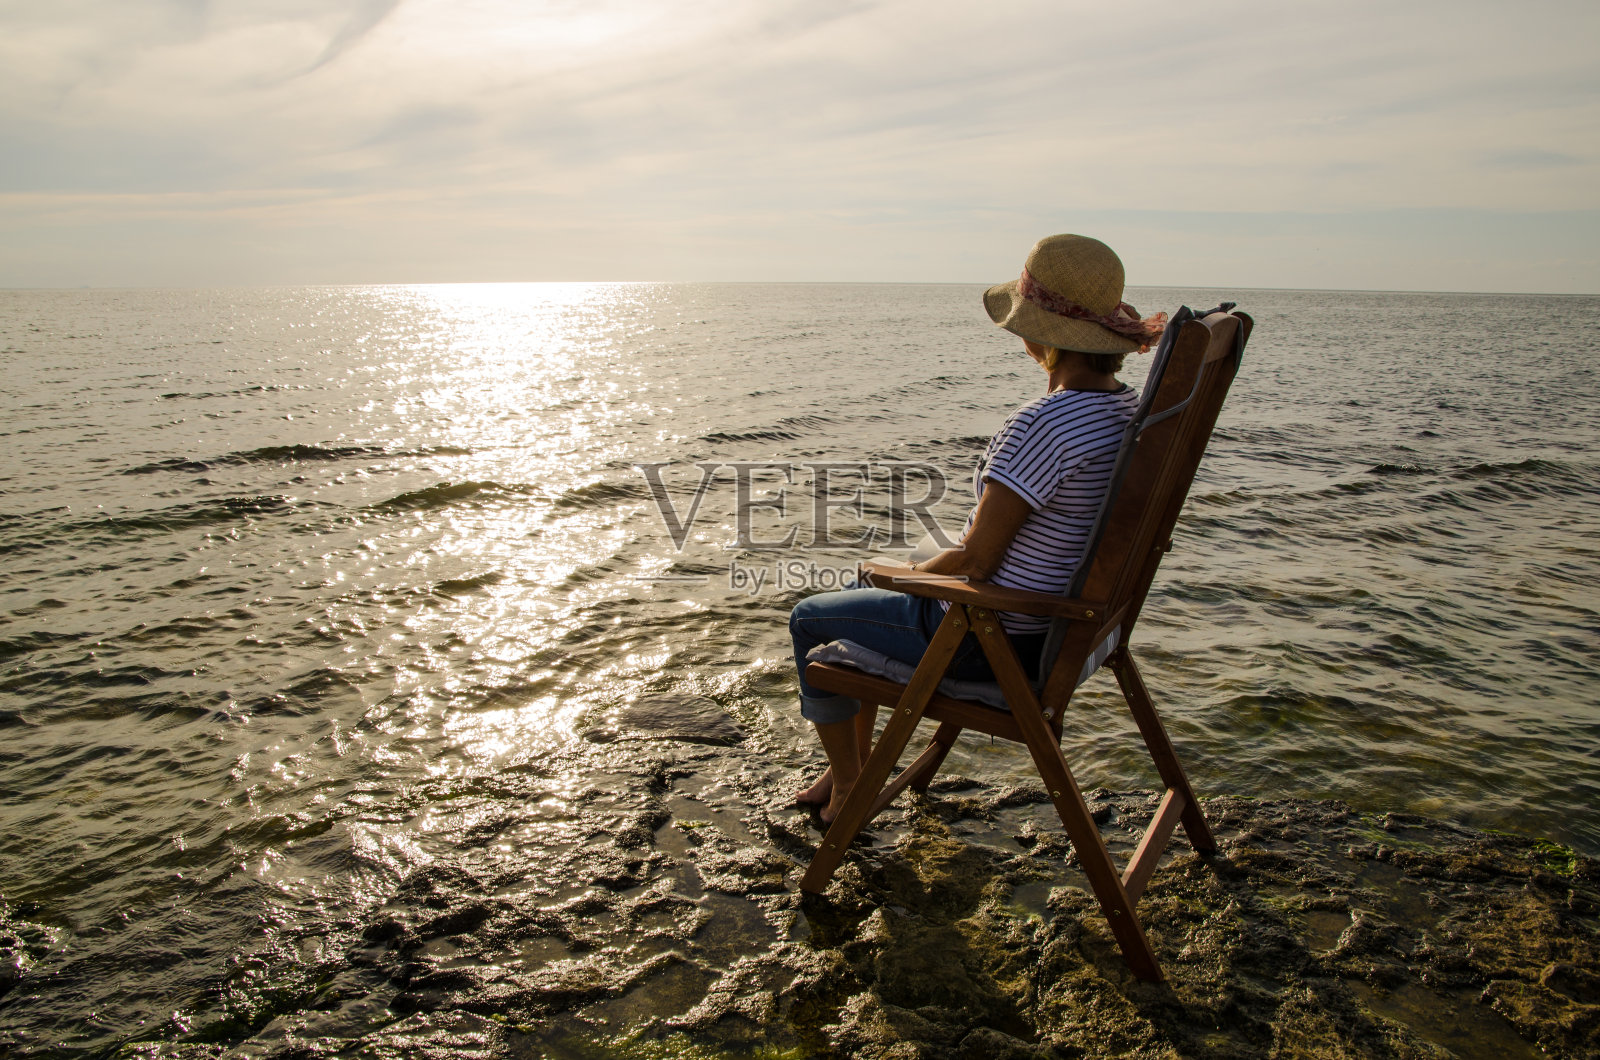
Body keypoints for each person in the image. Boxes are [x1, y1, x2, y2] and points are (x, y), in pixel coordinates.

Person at [789, 234, 1168, 825]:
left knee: (813, 618)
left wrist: (904, 576)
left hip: (991, 639)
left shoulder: (1044, 424)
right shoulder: (1127, 412)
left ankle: (848, 783)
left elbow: (978, 561)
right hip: (1062, 627)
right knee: (894, 576)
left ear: (1040, 336)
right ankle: (855, 760)